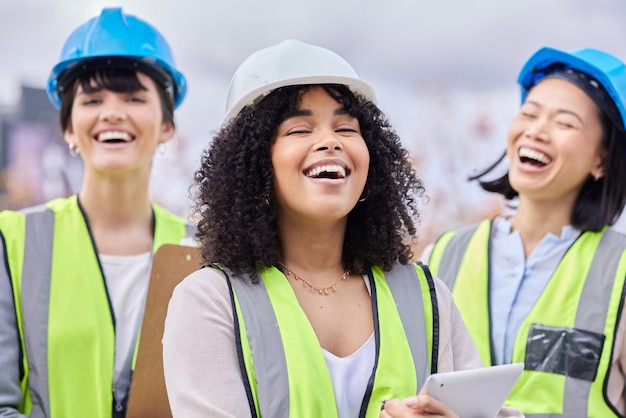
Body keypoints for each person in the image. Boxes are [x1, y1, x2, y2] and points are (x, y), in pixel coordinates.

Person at [162, 39, 521, 418]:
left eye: (346, 128)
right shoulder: (210, 301)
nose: (329, 141)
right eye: (300, 130)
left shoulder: (425, 296)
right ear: (255, 166)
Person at [0, 7, 195, 418]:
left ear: (166, 126)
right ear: (68, 127)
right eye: (92, 99)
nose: (112, 112)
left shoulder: (202, 251)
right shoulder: (13, 241)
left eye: (134, 97)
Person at [423, 46, 626, 417]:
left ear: (603, 159)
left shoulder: (620, 270)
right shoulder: (439, 256)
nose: (536, 130)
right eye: (529, 113)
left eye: (564, 123)